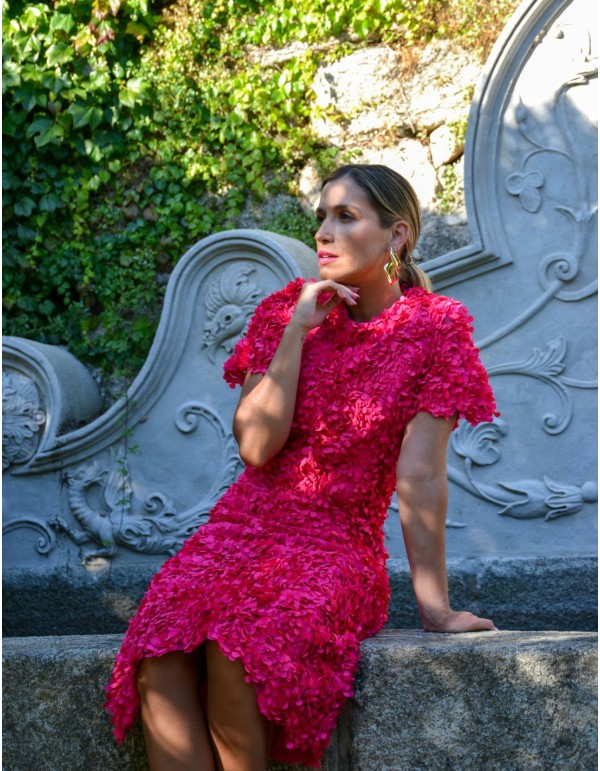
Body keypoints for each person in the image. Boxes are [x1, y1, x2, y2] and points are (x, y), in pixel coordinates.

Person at [105, 163, 499, 770]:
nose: (324, 232)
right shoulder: (283, 312)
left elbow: (419, 478)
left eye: (346, 217)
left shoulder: (436, 328)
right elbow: (257, 448)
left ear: (396, 236)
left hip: (336, 547)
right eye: (321, 217)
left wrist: (436, 608)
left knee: (238, 652)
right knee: (158, 650)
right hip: (236, 534)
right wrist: (296, 332)